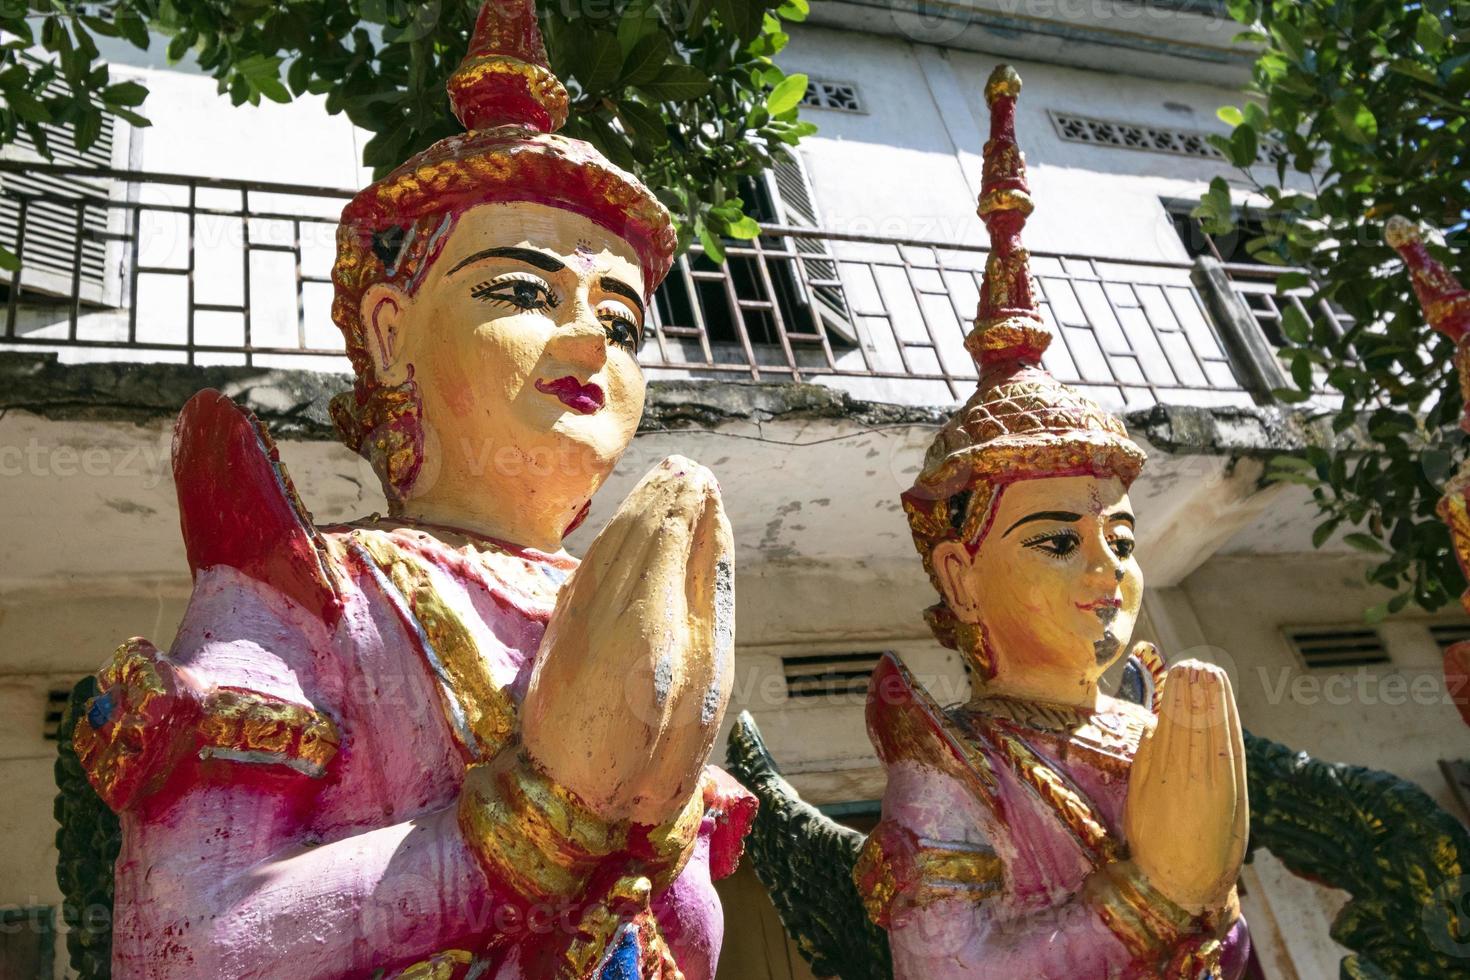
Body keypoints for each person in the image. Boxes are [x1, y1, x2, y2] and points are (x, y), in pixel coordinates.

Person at [70, 2, 753, 976]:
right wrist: (525, 829)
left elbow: (684, 937)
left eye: (624, 320)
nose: (592, 339)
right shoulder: (314, 597)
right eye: (522, 291)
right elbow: (186, 945)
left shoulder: (620, 599)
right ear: (391, 330)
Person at [852, 66, 1251, 979]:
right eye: (1057, 541)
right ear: (959, 575)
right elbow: (951, 970)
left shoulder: (1157, 733)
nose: (1108, 573)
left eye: (1120, 539)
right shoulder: (952, 763)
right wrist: (1150, 896)